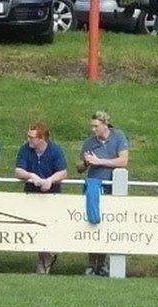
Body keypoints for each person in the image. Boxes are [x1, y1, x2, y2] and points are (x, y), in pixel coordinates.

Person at [77, 109, 130, 277]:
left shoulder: (118, 137)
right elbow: (79, 167)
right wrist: (86, 162)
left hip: (112, 189)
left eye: (96, 126)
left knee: (109, 226)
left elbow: (123, 160)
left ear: (105, 124)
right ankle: (92, 264)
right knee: (93, 224)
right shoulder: (89, 143)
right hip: (94, 188)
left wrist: (100, 162)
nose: (93, 129)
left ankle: (104, 263)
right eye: (92, 126)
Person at [15, 121, 69, 275]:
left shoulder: (54, 150)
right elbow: (18, 171)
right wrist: (31, 176)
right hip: (32, 195)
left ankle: (46, 261)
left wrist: (50, 180)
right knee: (35, 228)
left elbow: (63, 172)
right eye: (28, 136)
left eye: (32, 137)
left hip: (52, 196)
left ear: (41, 138)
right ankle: (44, 260)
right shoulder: (25, 149)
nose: (29, 140)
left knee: (49, 228)